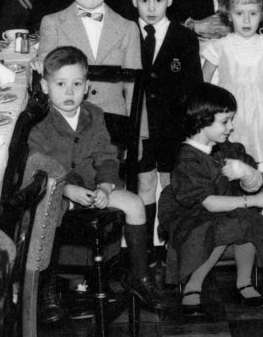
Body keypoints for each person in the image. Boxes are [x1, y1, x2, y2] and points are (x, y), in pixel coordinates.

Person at [29, 45, 164, 306]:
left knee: (135, 204)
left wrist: (104, 186)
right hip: (58, 189)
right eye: (60, 84)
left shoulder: (95, 115)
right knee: (49, 207)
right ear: (45, 86)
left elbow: (106, 154)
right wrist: (66, 189)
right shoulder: (39, 121)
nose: (69, 92)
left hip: (93, 185)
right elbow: (38, 164)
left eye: (76, 84)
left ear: (87, 85)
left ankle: (139, 277)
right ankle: (47, 285)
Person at [157, 83, 263, 316]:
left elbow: (253, 186)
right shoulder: (188, 158)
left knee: (249, 221)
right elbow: (209, 204)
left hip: (228, 208)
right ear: (202, 121)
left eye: (231, 120)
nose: (231, 127)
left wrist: (246, 172)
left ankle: (244, 282)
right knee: (225, 225)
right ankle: (193, 287)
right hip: (191, 216)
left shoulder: (230, 150)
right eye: (225, 121)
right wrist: (253, 201)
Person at [129, 0, 202, 229]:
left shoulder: (185, 38)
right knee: (145, 184)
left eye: (158, 0)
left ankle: (171, 249)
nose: (151, 7)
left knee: (171, 185)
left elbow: (194, 86)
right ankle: (147, 251)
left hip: (173, 127)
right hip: (141, 128)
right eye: (144, 1)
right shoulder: (127, 34)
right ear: (134, 1)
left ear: (169, 0)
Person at [35, 0, 140, 116]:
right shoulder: (52, 23)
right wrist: (37, 65)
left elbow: (135, 89)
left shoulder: (128, 28)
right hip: (65, 122)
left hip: (114, 126)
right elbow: (42, 66)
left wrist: (137, 138)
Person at [200, 0, 263, 163]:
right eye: (239, 14)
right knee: (229, 161)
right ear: (228, 14)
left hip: (262, 116)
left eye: (253, 13)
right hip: (230, 115)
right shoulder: (220, 46)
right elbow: (203, 85)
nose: (246, 20)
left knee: (257, 161)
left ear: (262, 14)